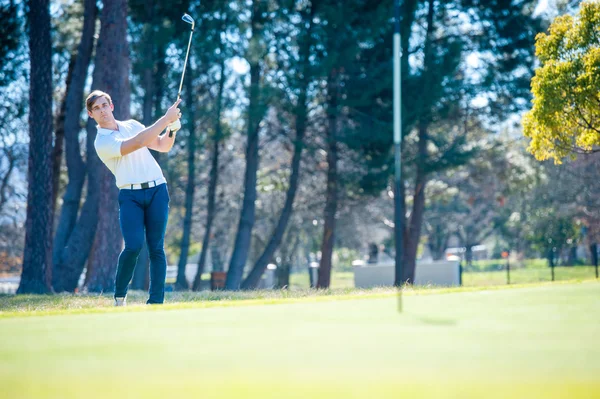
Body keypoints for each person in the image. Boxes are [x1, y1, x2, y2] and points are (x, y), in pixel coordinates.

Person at [87, 90, 181, 306]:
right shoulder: (102, 142)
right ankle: (120, 296)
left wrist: (172, 129)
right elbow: (138, 142)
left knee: (156, 247)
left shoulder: (133, 124)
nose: (102, 111)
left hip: (158, 189)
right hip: (130, 196)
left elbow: (163, 146)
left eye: (104, 105)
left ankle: (156, 302)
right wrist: (166, 118)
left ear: (111, 106)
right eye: (96, 108)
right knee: (133, 245)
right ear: (91, 114)